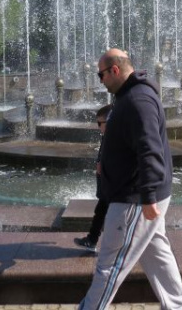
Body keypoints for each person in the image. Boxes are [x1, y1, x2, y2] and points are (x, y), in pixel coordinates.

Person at [78, 48, 182, 310]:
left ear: (115, 70)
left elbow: (150, 149)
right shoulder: (128, 96)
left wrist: (148, 196)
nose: (100, 81)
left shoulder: (138, 100)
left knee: (110, 265)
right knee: (158, 255)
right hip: (137, 195)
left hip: (135, 198)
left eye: (100, 74)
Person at [74, 104, 111, 252]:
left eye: (100, 123)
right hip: (106, 183)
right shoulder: (106, 136)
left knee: (104, 212)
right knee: (101, 210)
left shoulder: (114, 138)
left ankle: (93, 240)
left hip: (111, 184)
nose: (98, 127)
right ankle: (92, 240)